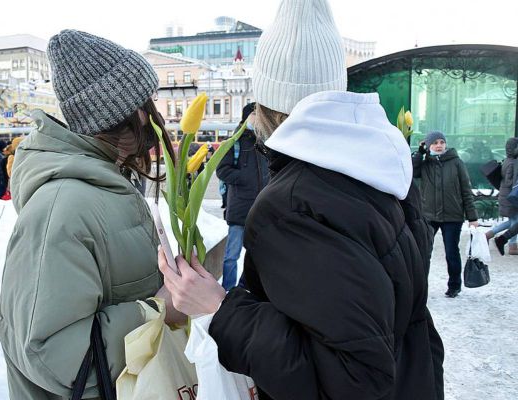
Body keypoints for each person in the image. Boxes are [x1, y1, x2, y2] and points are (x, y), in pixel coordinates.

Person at [158, 1, 444, 399]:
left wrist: (221, 311)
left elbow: (354, 378)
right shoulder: (380, 170)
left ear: (265, 101)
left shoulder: (293, 205)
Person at [0, 30, 184, 399]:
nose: (154, 113)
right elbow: (53, 355)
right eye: (148, 101)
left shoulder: (107, 183)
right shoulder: (63, 208)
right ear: (130, 114)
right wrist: (160, 310)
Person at [413, 130, 479, 297]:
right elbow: (412, 171)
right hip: (428, 216)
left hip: (453, 216)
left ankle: (454, 285)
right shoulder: (425, 162)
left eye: (442, 142)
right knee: (424, 252)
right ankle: (421, 288)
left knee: (451, 252)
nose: (439, 145)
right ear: (429, 145)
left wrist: (473, 217)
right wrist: (419, 153)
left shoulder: (457, 162)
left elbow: (466, 190)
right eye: (435, 143)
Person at [216, 102, 269, 290]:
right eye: (257, 114)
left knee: (258, 255)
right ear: (248, 117)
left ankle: (248, 288)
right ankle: (228, 289)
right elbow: (222, 170)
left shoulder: (265, 142)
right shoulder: (235, 142)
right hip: (239, 207)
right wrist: (245, 178)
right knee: (232, 255)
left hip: (261, 208)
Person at [486, 137, 518, 255]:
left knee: (513, 221)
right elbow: (512, 182)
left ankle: (489, 235)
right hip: (511, 196)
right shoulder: (514, 163)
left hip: (506, 194)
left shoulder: (507, 160)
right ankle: (512, 246)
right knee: (515, 220)